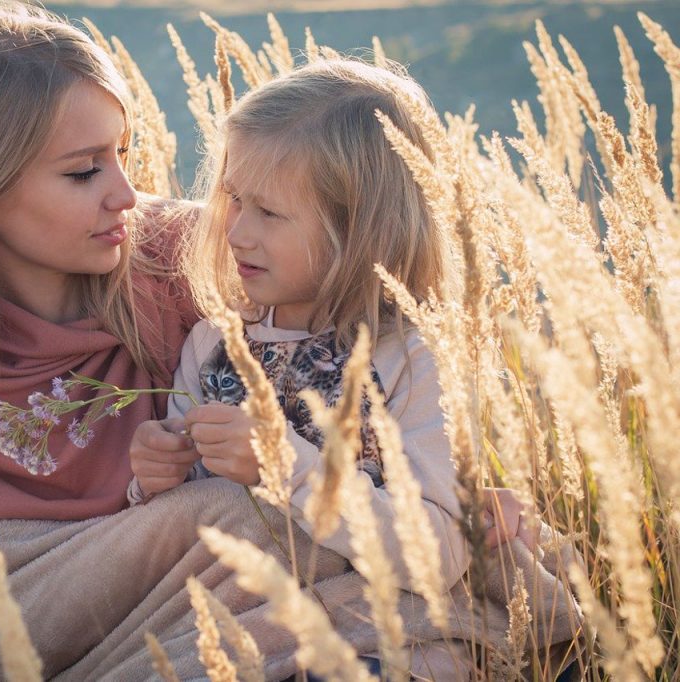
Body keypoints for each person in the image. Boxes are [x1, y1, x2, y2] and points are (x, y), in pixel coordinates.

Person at [128, 57, 579, 680]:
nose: (235, 230)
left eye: (269, 212)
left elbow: (437, 554)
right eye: (232, 199)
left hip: (383, 635)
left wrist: (286, 465)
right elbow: (183, 530)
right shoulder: (212, 345)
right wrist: (152, 480)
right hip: (249, 630)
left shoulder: (411, 360)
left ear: (359, 228)